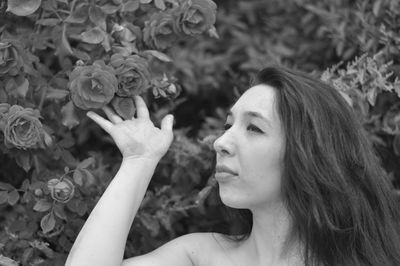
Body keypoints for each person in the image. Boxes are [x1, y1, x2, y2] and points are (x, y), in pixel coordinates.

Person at [65, 66, 400, 266]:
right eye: (228, 125)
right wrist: (139, 161)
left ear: (310, 153)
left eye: (254, 128)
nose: (220, 142)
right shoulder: (197, 256)